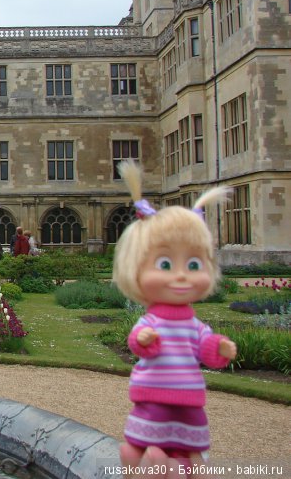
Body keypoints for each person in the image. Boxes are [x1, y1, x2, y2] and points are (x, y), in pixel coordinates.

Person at [112, 160, 236, 467]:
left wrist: (217, 347)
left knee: (190, 449)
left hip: (188, 399)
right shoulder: (152, 320)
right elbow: (139, 343)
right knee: (147, 446)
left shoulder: (191, 324)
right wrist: (144, 339)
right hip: (154, 397)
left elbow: (204, 344)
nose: (181, 276)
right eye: (166, 264)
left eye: (194, 264)